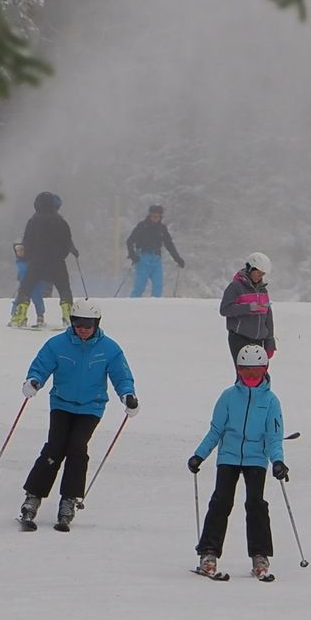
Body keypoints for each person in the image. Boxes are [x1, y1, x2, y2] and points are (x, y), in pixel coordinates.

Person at [17, 298, 138, 531]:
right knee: (55, 447)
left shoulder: (109, 349)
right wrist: (34, 381)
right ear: (72, 323)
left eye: (88, 325)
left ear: (97, 324)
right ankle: (33, 496)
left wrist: (127, 395)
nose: (83, 330)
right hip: (61, 404)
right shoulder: (57, 345)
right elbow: (41, 366)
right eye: (79, 324)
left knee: (77, 447)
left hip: (91, 407)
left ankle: (69, 500)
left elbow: (122, 376)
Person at [188, 344, 287, 580]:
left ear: (265, 369)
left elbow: (273, 437)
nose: (251, 377)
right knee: (221, 501)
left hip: (255, 459)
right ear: (238, 370)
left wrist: (278, 462)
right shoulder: (228, 397)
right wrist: (199, 455)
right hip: (229, 457)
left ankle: (260, 555)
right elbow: (215, 431)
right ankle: (208, 553)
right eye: (246, 371)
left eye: (256, 372)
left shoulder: (271, 401)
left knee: (256, 504)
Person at [10, 192, 77, 328]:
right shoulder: (61, 222)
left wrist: (30, 257)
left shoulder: (33, 221)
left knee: (26, 288)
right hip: (57, 262)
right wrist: (60, 256)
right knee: (64, 288)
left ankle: (20, 315)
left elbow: (27, 242)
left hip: (37, 262)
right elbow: (67, 243)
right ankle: (67, 314)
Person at [220, 252, 275, 361]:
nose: (260, 276)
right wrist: (249, 307)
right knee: (245, 375)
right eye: (258, 273)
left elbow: (268, 317)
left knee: (261, 376)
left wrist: (270, 340)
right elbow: (224, 309)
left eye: (263, 274)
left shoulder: (263, 290)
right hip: (240, 339)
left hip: (259, 340)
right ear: (250, 269)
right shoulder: (235, 287)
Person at [125, 204, 185, 298]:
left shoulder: (162, 228)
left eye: (158, 216)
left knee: (158, 286)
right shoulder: (142, 226)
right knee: (139, 287)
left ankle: (154, 307)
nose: (155, 218)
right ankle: (132, 306)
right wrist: (132, 255)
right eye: (153, 216)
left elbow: (169, 244)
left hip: (156, 259)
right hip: (142, 258)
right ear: (149, 215)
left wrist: (177, 258)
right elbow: (130, 241)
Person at [10, 241, 50, 328]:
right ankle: (16, 316)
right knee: (19, 299)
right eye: (17, 251)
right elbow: (21, 272)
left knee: (37, 299)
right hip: (24, 285)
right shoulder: (19, 261)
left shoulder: (30, 261)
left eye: (21, 250)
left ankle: (40, 317)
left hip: (36, 284)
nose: (20, 252)